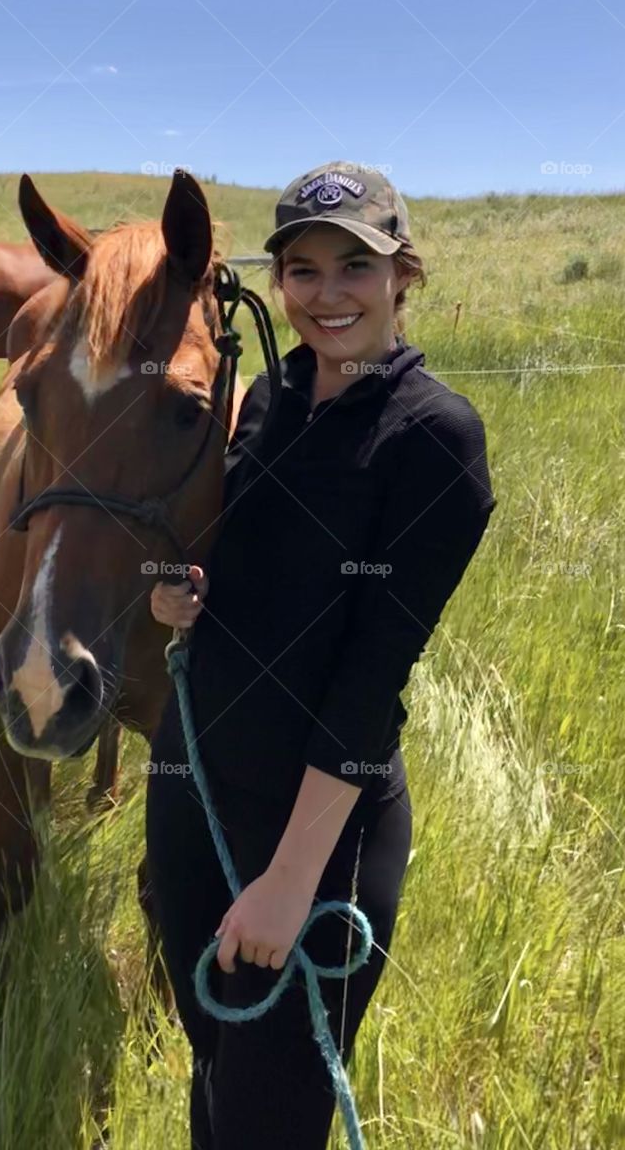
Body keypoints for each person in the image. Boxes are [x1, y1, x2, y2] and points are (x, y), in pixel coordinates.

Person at [145, 161, 496, 1149]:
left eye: (355, 265)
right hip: (192, 790)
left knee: (273, 1114)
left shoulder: (432, 435)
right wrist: (183, 602)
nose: (326, 293)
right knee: (213, 1060)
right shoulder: (264, 401)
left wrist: (292, 878)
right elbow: (247, 580)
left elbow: (366, 681)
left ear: (401, 275)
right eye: (301, 269)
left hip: (317, 833)